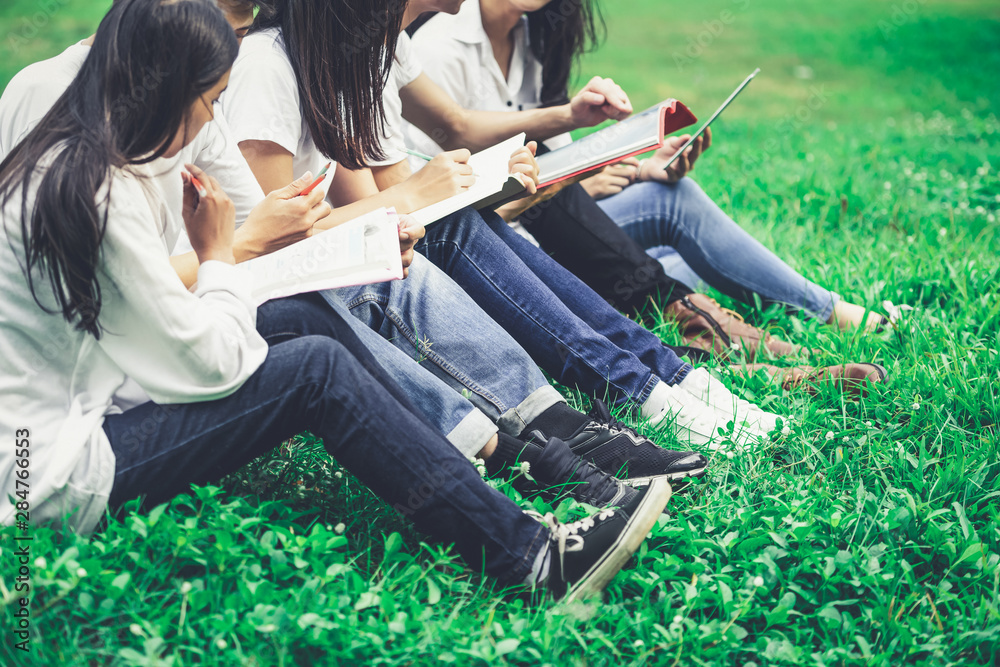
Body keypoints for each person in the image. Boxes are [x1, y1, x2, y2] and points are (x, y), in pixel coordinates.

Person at [0, 0, 672, 601]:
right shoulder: (94, 194)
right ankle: (530, 556)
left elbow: (261, 214)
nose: (214, 120)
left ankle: (505, 456)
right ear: (165, 88)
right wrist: (219, 255)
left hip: (100, 392)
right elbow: (212, 361)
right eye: (209, 102)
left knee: (298, 314)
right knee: (314, 370)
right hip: (50, 472)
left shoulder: (118, 119)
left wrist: (316, 246)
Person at [224, 0, 794, 456]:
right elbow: (276, 244)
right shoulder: (270, 68)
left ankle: (666, 378)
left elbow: (378, 202)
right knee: (447, 225)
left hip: (356, 262)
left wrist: (460, 189)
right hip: (284, 297)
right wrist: (419, 196)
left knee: (452, 220)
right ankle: (644, 388)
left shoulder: (346, 63)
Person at [405, 0, 897, 335]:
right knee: (672, 250)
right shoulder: (436, 46)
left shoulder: (536, 36)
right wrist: (571, 182)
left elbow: (561, 162)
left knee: (673, 210)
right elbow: (450, 193)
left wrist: (638, 169)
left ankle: (792, 309)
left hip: (558, 218)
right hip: (502, 239)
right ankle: (826, 313)